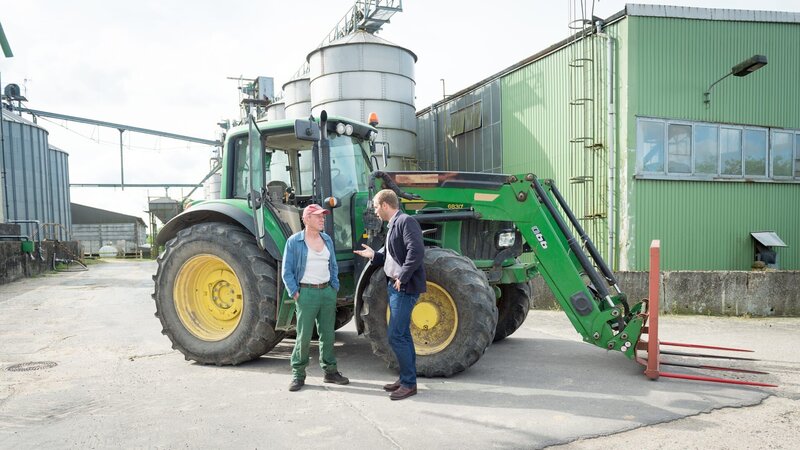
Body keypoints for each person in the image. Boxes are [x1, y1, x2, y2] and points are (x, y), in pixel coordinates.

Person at [354, 189, 425, 400]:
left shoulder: (405, 221)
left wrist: (402, 277)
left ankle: (409, 384)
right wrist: (373, 255)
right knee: (402, 334)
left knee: (395, 335)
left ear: (385, 205)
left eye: (376, 206)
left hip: (403, 288)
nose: (375, 211)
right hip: (395, 287)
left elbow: (416, 251)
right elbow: (391, 255)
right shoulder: (393, 224)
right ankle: (406, 379)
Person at [282, 204, 349, 392]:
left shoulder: (326, 239)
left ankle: (330, 372)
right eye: (318, 216)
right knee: (303, 337)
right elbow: (286, 272)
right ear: (307, 219)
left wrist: (334, 286)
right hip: (306, 294)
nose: (322, 219)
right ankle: (298, 374)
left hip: (327, 292)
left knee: (328, 335)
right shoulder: (294, 242)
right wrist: (295, 292)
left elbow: (333, 265)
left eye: (323, 216)